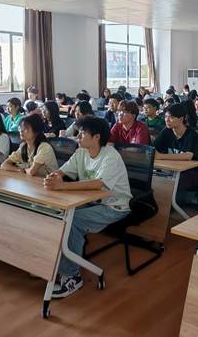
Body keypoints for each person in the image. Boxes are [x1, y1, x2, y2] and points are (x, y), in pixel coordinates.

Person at [44, 116, 132, 298]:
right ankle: (51, 263)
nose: (78, 137)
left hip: (114, 206)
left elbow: (98, 184)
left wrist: (62, 186)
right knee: (56, 213)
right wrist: (54, 176)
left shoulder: (111, 156)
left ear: (97, 137)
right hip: (89, 202)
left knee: (72, 221)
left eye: (82, 133)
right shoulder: (81, 152)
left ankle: (72, 277)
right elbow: (63, 170)